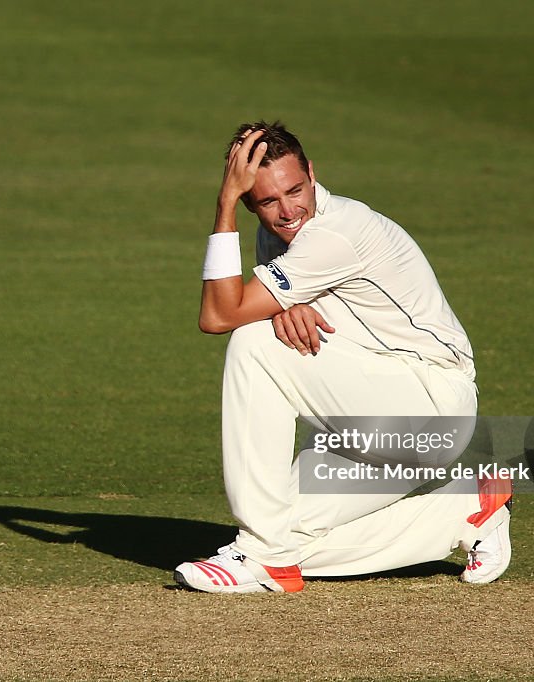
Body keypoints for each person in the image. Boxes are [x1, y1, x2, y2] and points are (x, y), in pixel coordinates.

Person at [173, 121, 512, 594]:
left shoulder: (338, 230)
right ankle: (463, 512)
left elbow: (218, 315)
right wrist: (281, 310)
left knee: (253, 345)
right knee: (282, 525)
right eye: (268, 201)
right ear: (255, 202)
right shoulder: (277, 236)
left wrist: (224, 204)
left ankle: (261, 557)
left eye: (295, 190)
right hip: (366, 422)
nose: (288, 210)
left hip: (428, 409)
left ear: (312, 173)